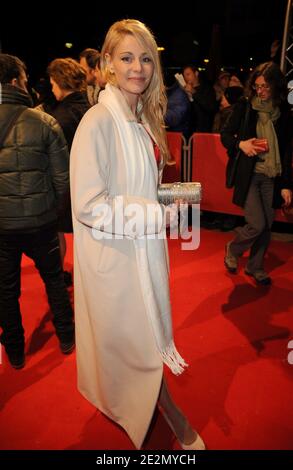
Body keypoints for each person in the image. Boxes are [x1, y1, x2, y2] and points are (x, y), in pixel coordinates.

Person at [70, 19, 206, 450]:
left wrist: (173, 198)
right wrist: (157, 213)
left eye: (146, 58)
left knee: (138, 347)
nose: (138, 67)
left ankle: (146, 414)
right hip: (117, 262)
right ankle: (167, 417)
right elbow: (89, 205)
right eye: (127, 57)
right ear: (108, 63)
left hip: (141, 254)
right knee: (139, 351)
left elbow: (139, 189)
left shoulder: (140, 119)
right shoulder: (98, 121)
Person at [0, 54, 75, 369]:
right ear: (17, 81)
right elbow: (62, 178)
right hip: (42, 221)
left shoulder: (44, 119)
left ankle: (15, 351)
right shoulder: (44, 121)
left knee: (5, 290)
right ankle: (66, 336)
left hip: (2, 226)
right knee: (54, 280)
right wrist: (49, 209)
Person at [221, 62, 292, 285]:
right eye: (257, 86)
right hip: (249, 175)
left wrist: (287, 185)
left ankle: (255, 266)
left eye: (265, 87)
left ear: (276, 87)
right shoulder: (245, 107)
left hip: (272, 175)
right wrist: (241, 144)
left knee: (266, 225)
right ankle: (233, 248)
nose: (259, 91)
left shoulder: (284, 114)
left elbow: (287, 151)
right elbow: (226, 135)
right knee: (257, 224)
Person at [47, 58, 90, 285]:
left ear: (61, 82)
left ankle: (58, 278)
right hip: (92, 181)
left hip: (66, 184)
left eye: (53, 84)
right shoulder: (91, 108)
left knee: (57, 232)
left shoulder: (58, 118)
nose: (51, 89)